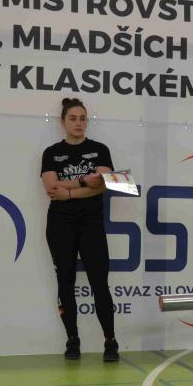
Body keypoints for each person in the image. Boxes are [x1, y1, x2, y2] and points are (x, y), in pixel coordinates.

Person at [40, 98, 119, 362]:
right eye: (73, 118)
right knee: (65, 281)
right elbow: (52, 188)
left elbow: (102, 184)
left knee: (99, 283)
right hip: (60, 224)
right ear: (63, 121)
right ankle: (72, 340)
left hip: (91, 223)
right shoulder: (51, 153)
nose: (78, 123)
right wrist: (85, 180)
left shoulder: (99, 149)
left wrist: (71, 191)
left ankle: (110, 341)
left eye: (82, 118)